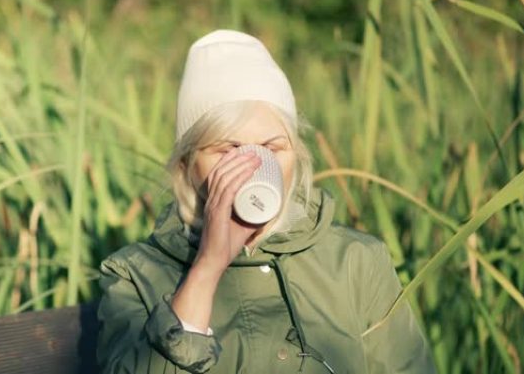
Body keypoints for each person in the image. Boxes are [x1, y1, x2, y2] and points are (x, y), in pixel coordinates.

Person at [96, 29, 436, 374]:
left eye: (271, 148)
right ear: (187, 165)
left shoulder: (356, 262)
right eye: (228, 149)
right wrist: (208, 267)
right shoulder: (135, 275)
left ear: (295, 156)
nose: (253, 165)